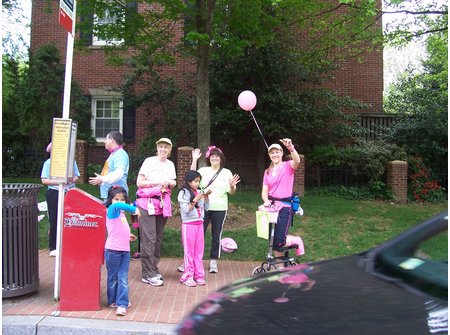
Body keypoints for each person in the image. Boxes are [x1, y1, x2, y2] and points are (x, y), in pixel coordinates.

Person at [184, 146, 240, 274]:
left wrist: (232, 186)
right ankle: (193, 260)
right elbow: (191, 177)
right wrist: (194, 159)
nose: (214, 158)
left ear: (221, 159)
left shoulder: (227, 172)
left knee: (216, 235)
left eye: (217, 156)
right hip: (204, 206)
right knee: (199, 234)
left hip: (220, 208)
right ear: (209, 158)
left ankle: (214, 260)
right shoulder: (203, 170)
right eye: (212, 156)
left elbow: (232, 192)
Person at [135, 137, 176, 286]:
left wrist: (171, 182)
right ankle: (148, 273)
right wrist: (158, 182)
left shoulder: (170, 164)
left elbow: (173, 181)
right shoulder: (149, 161)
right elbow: (139, 183)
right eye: (161, 146)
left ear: (170, 150)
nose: (163, 149)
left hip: (162, 204)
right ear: (157, 148)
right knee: (149, 238)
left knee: (157, 238)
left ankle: (153, 268)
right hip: (146, 204)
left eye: (166, 147)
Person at [104, 186, 140, 316]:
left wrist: (128, 236)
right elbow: (118, 205)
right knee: (113, 277)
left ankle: (122, 303)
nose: (119, 201)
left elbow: (119, 228)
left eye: (122, 199)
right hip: (112, 250)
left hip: (125, 250)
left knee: (123, 277)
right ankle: (113, 300)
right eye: (116, 199)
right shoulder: (111, 210)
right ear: (110, 200)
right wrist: (134, 208)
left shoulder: (122, 214)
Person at [261, 138, 301, 258]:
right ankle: (280, 268)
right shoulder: (267, 171)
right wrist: (266, 201)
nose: (275, 154)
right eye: (272, 153)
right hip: (271, 208)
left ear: (282, 153)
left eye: (277, 152)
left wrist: (291, 147)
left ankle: (296, 240)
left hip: (285, 208)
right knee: (272, 240)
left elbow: (297, 161)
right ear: (269, 155)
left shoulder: (288, 166)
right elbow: (264, 192)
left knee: (279, 240)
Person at [40, 142, 80, 257]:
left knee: (71, 218)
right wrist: (59, 181)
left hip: (70, 192)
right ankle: (53, 246)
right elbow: (44, 180)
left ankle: (69, 244)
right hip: (54, 192)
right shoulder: (49, 163)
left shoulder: (71, 162)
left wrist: (71, 180)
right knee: (54, 219)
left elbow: (77, 176)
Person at [178, 170, 211, 287]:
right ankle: (188, 276)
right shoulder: (183, 193)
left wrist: (206, 197)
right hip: (189, 224)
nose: (197, 183)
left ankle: (199, 275)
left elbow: (206, 208)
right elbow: (185, 210)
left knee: (199, 252)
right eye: (195, 181)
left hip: (199, 224)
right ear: (189, 181)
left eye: (198, 181)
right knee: (189, 252)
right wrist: (195, 199)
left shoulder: (198, 191)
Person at [89, 131, 129, 201]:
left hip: (116, 196)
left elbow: (119, 173)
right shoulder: (115, 153)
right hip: (112, 195)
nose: (104, 141)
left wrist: (102, 179)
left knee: (114, 212)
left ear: (112, 141)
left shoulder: (120, 154)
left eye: (106, 139)